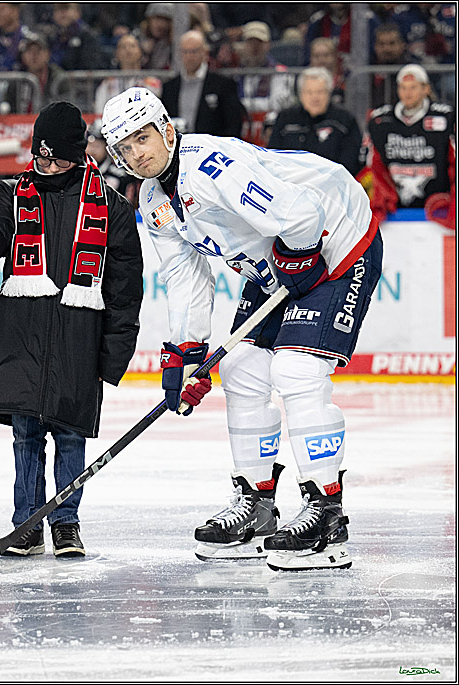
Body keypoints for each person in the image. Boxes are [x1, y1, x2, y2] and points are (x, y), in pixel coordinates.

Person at [101, 86, 383, 571]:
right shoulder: (153, 200)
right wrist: (185, 355)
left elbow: (300, 214)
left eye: (142, 138)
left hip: (337, 236)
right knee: (242, 370)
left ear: (166, 129)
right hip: (276, 258)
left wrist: (299, 257)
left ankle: (326, 512)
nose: (136, 154)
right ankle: (257, 504)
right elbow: (186, 277)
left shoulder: (213, 166)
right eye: (123, 148)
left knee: (296, 372)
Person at [0, 102, 144, 558]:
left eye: (56, 159)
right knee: (25, 431)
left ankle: (65, 523)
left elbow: (125, 289)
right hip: (24, 333)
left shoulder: (111, 208)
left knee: (70, 432)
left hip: (79, 337)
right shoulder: (14, 194)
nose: (47, 166)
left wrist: (113, 357)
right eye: (40, 157)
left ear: (78, 155)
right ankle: (26, 524)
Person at [365, 64, 456, 224]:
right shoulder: (380, 120)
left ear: (426, 89)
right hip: (394, 208)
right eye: (403, 87)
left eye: (413, 87)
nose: (407, 93)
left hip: (438, 207)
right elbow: (371, 165)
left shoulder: (446, 117)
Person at [267, 67, 364, 176]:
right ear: (301, 94)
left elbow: (350, 161)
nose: (315, 97)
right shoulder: (286, 119)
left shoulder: (344, 120)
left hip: (332, 185)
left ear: (329, 93)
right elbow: (273, 157)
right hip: (291, 184)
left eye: (320, 92)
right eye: (309, 92)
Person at [161, 30, 245, 137]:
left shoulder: (223, 85)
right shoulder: (170, 87)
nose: (189, 57)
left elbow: (233, 124)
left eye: (194, 51)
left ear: (204, 52)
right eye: (185, 52)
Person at [236, 22, 294, 115]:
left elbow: (278, 104)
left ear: (268, 45)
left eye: (259, 43)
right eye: (250, 42)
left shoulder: (280, 71)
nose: (255, 48)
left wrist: (241, 105)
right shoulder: (236, 72)